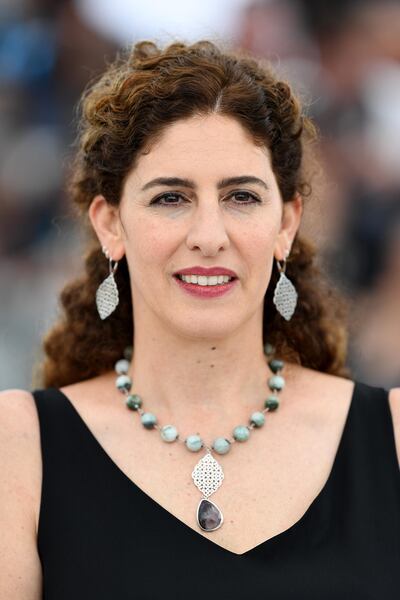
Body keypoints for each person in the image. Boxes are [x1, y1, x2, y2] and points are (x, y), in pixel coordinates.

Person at [0, 39, 399, 600]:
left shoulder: (393, 435)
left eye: (240, 196)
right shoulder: (18, 446)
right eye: (170, 198)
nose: (209, 236)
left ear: (286, 223)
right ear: (110, 224)